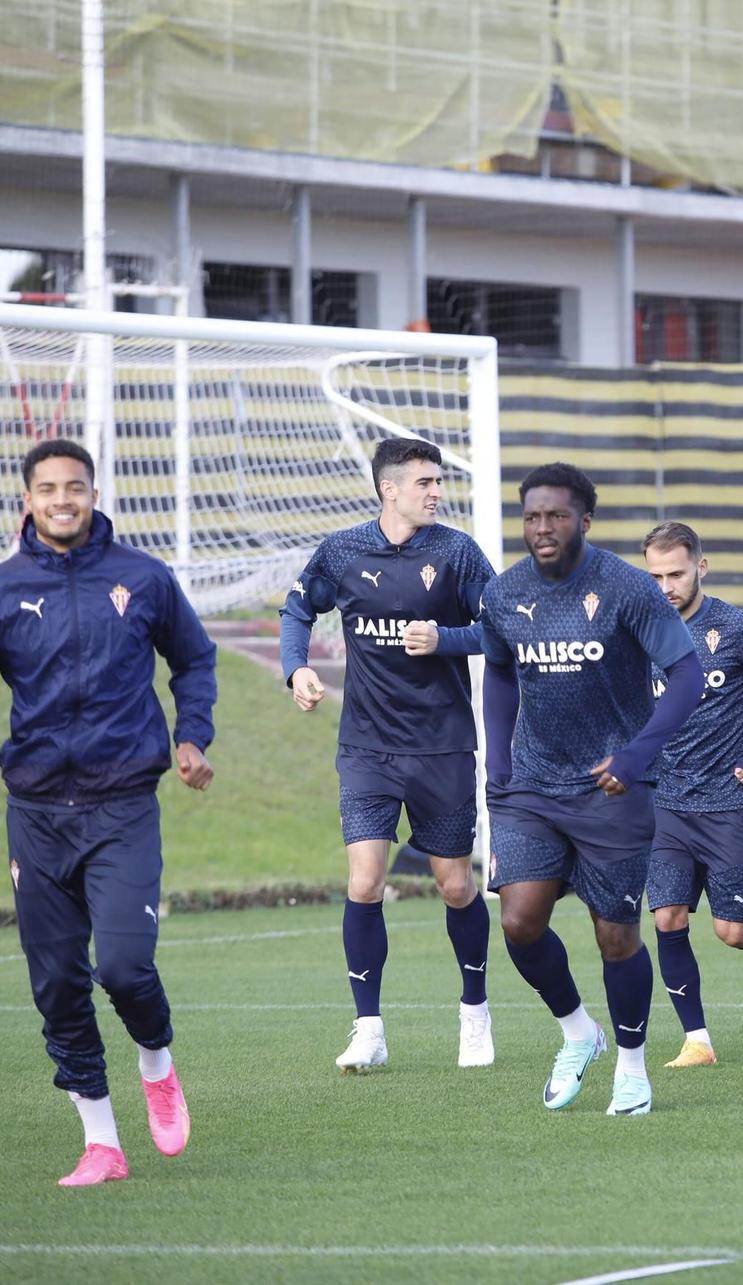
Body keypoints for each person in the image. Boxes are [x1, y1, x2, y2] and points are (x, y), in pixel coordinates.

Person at [0, 438, 216, 1186]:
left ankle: (157, 1061)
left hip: (123, 805)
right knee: (56, 982)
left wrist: (191, 736)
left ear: (92, 493)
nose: (62, 498)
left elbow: (194, 658)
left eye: (75, 487)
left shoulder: (143, 577)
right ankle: (102, 1143)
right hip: (38, 812)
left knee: (122, 965)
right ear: (27, 499)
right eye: (48, 488)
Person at [476, 463, 705, 1115]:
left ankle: (632, 1068)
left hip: (613, 789)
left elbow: (686, 675)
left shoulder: (628, 589)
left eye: (555, 515)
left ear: (585, 520)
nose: (542, 527)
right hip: (532, 785)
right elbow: (497, 672)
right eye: (531, 516)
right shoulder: (504, 592)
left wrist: (636, 756)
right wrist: (497, 762)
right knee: (520, 920)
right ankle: (580, 1032)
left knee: (616, 936)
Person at [280, 437, 498, 1074]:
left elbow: (507, 625)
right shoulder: (343, 551)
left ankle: (475, 1013)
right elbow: (297, 607)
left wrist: (447, 637)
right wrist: (296, 669)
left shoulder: (456, 552)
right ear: (390, 490)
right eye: (426, 482)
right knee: (365, 880)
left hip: (444, 747)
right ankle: (369, 1026)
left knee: (456, 886)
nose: (436, 492)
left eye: (439, 482)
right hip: (368, 748)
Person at [640, 521, 743, 1066]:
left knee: (730, 931)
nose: (666, 585)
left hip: (727, 803)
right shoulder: (638, 631)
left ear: (700, 568)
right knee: (667, 918)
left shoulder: (737, 628)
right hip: (664, 802)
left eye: (676, 573)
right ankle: (697, 1041)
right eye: (656, 575)